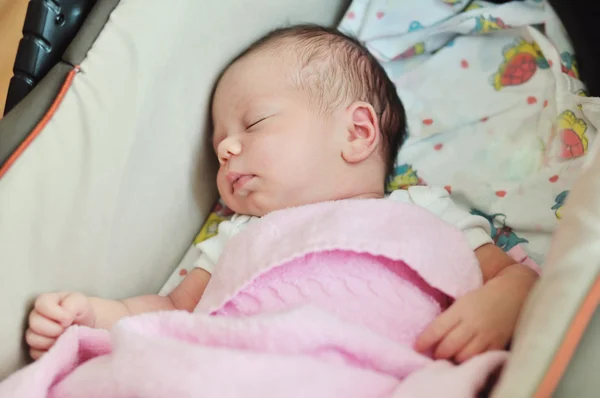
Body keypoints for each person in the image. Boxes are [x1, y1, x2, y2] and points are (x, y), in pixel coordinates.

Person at [25, 25, 538, 364]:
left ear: (357, 133)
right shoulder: (238, 233)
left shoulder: (421, 209)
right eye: (217, 141)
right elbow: (169, 312)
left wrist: (503, 304)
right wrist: (92, 315)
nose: (225, 147)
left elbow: (510, 275)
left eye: (254, 123)